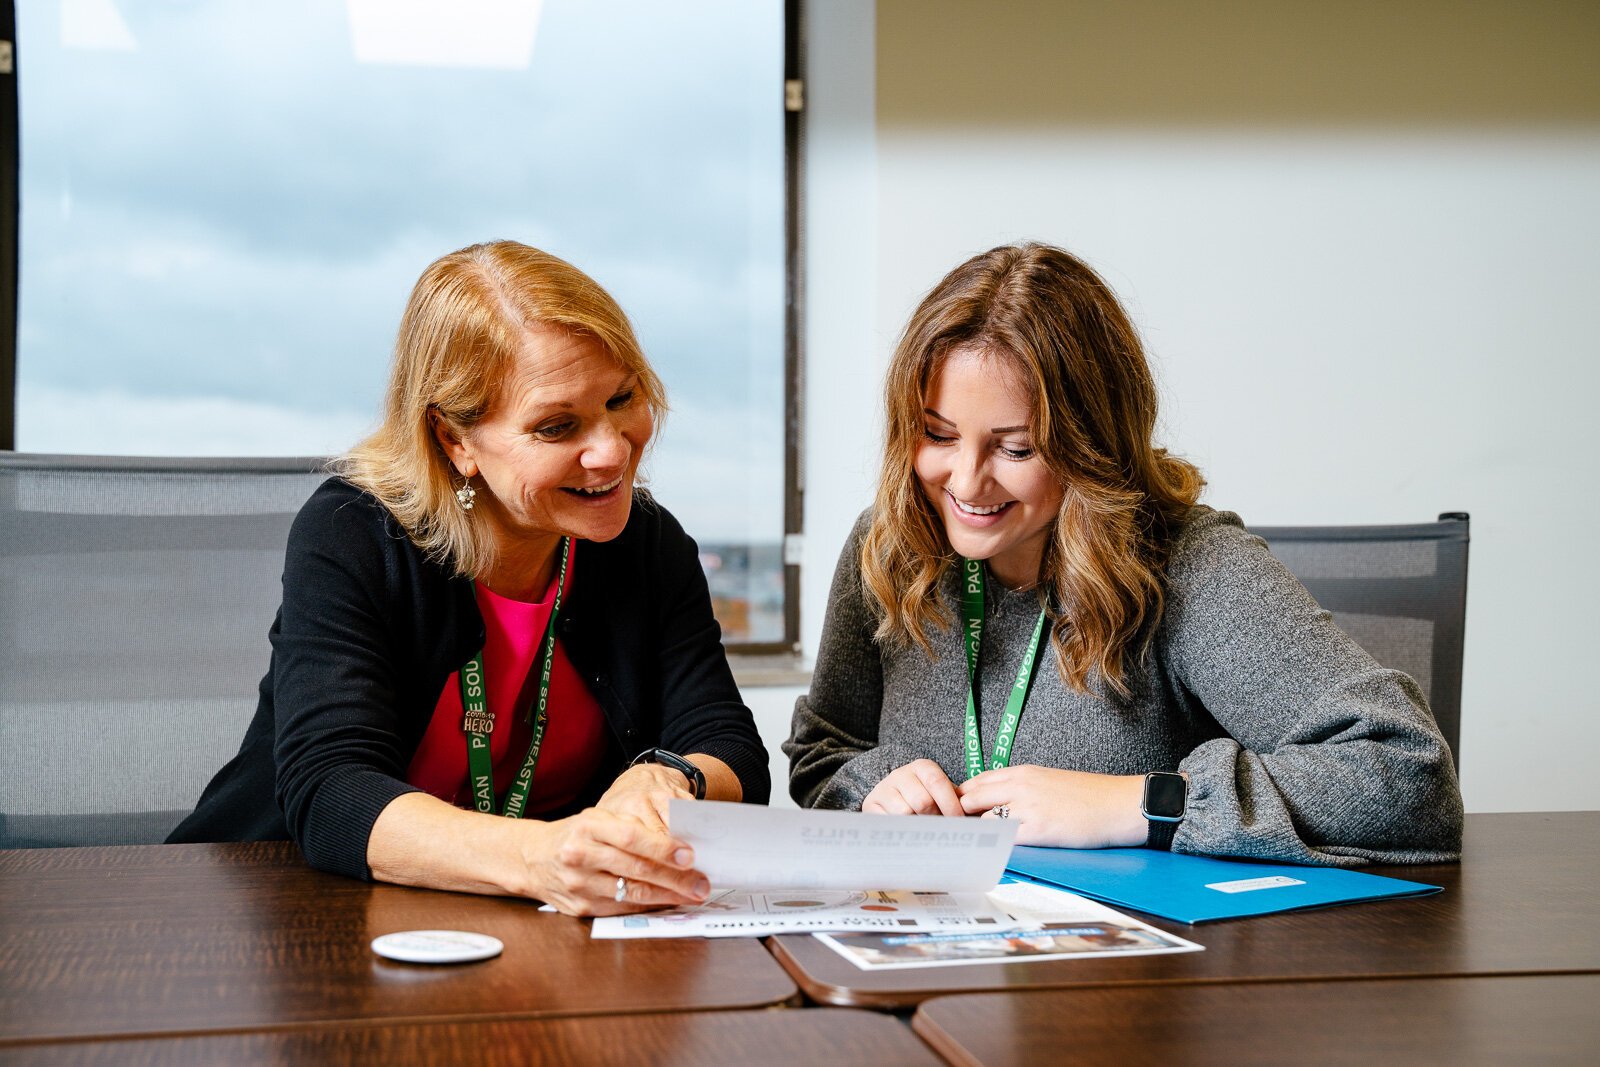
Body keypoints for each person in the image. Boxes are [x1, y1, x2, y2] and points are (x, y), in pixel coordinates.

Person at [785, 242, 1462, 866]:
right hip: (936, 960)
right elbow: (824, 752)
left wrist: (1142, 802)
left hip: (1132, 978)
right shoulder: (889, 542)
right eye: (937, 435)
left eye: (1015, 448)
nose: (964, 481)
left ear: (1092, 444)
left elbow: (1407, 774)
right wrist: (876, 788)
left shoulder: (1192, 566)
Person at [171, 240, 769, 913]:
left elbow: (731, 748)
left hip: (533, 930)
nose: (611, 450)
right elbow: (332, 790)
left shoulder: (647, 544)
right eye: (557, 426)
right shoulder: (354, 533)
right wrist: (541, 856)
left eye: (622, 397)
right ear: (456, 441)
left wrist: (671, 779)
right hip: (297, 913)